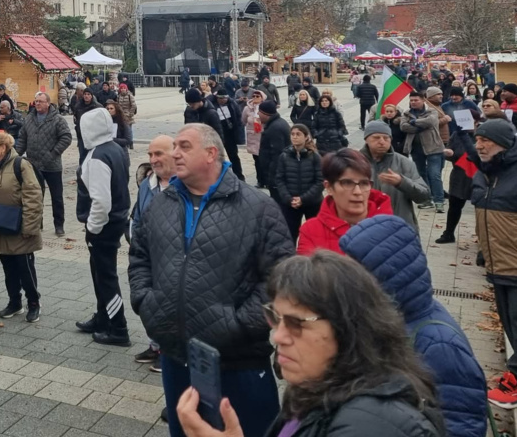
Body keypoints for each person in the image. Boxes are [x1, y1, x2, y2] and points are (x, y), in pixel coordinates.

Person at [130, 122, 294, 437]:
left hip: (238, 362)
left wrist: (238, 324)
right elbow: (139, 256)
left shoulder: (258, 208)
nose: (174, 153)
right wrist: (147, 303)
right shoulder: (161, 204)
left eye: (184, 146)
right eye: (173, 146)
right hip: (177, 357)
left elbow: (280, 277)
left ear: (211, 153)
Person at [175, 251, 444, 437]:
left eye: (297, 323)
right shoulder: (315, 387)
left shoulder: (371, 424)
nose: (279, 336)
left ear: (348, 328)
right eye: (276, 318)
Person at [340, 215, 489, 436]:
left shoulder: (439, 345)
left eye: (354, 272)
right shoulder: (387, 319)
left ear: (383, 276)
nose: (345, 280)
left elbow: (463, 425)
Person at [468, 120, 517, 408]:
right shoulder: (487, 171)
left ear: (504, 142)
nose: (480, 145)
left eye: (486, 140)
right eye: (477, 140)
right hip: (498, 264)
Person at [75, 108, 132, 346]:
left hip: (104, 224)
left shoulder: (98, 156)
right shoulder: (115, 149)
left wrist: (92, 228)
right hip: (116, 218)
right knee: (100, 273)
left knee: (105, 276)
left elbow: (101, 200)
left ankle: (118, 327)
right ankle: (104, 317)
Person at [0, 131, 44, 323]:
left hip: (20, 228)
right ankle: (14, 302)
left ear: (4, 147)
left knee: (25, 268)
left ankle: (34, 303)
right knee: (8, 268)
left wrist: (29, 227)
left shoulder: (21, 165)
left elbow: (34, 197)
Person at [130, 135, 175, 372]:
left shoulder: (183, 183)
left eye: (159, 154)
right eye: (150, 154)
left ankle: (168, 351)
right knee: (148, 303)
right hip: (148, 257)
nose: (153, 159)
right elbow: (138, 216)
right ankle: (155, 345)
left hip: (172, 259)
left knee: (169, 307)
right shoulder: (147, 184)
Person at [297, 149, 393, 255]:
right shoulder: (311, 231)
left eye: (364, 183)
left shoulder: (392, 227)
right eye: (347, 183)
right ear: (329, 187)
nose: (358, 192)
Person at [16, 92, 73, 237]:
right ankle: (37, 223)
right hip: (33, 164)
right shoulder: (29, 119)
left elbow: (66, 137)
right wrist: (15, 155)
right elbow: (22, 138)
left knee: (57, 197)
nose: (38, 104)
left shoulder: (57, 119)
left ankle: (59, 225)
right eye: (36, 101)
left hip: (52, 165)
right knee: (35, 196)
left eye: (40, 101)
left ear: (48, 103)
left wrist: (54, 153)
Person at [360, 120, 430, 227]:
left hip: (398, 227)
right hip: (363, 227)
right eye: (376, 138)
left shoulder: (404, 162)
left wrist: (402, 182)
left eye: (386, 138)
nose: (382, 141)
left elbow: (423, 196)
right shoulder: (354, 162)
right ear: (366, 140)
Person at [274, 124, 324, 243]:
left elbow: (320, 181)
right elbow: (280, 179)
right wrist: (288, 198)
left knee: (315, 235)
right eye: (292, 134)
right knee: (290, 234)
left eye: (298, 134)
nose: (295, 137)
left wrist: (303, 198)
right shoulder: (284, 156)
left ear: (306, 137)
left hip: (312, 202)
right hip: (291, 203)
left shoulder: (314, 156)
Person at [438, 114, 482, 245]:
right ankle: (448, 233)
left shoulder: (483, 134)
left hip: (479, 175)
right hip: (460, 173)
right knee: (455, 205)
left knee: (480, 209)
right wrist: (449, 153)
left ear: (476, 121)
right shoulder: (457, 134)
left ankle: (482, 238)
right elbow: (452, 151)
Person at [400, 92, 446, 213]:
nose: (413, 102)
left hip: (433, 148)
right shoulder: (406, 113)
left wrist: (414, 122)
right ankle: (427, 199)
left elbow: (430, 122)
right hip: (416, 149)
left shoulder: (432, 111)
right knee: (421, 174)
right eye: (411, 100)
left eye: (416, 100)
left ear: (423, 100)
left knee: (434, 174)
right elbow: (403, 126)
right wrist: (421, 125)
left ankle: (439, 201)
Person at [257, 100, 292, 204]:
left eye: (259, 112)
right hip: (277, 174)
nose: (258, 114)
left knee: (279, 204)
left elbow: (277, 155)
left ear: (265, 113)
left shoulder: (275, 128)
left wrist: (272, 177)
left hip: (276, 176)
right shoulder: (276, 123)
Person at [209, 89, 245, 180]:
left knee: (233, 155)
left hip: (230, 133)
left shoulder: (232, 103)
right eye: (221, 99)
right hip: (217, 134)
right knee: (216, 156)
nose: (223, 100)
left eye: (225, 98)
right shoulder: (211, 104)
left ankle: (239, 176)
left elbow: (238, 116)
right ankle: (217, 176)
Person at [241, 90, 265, 187]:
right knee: (257, 160)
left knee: (265, 159)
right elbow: (243, 120)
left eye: (258, 96)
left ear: (262, 97)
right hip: (253, 136)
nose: (255, 97)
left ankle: (267, 179)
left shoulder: (265, 107)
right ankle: (260, 180)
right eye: (254, 96)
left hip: (263, 136)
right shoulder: (247, 108)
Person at [72, 87, 101, 158]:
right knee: (82, 155)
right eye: (85, 94)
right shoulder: (78, 106)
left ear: (91, 96)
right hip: (81, 135)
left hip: (93, 135)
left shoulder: (97, 107)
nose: (86, 96)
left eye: (88, 94)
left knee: (92, 155)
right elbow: (75, 119)